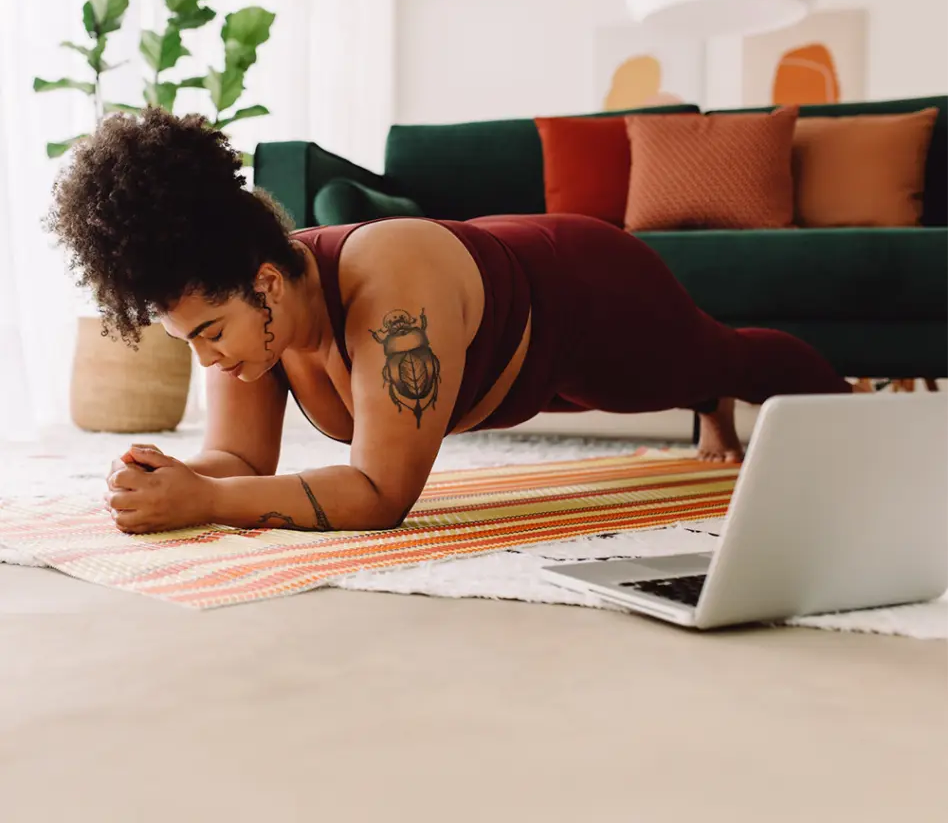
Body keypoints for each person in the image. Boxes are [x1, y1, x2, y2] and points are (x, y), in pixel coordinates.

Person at [47, 108, 853, 536]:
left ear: (266, 281)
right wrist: (177, 483)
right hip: (503, 327)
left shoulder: (388, 287)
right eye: (193, 343)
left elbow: (380, 495)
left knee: (720, 362)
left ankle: (845, 418)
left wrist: (211, 506)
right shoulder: (254, 317)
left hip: (585, 290)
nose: (212, 361)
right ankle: (712, 401)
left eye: (212, 333)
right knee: (687, 374)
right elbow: (235, 456)